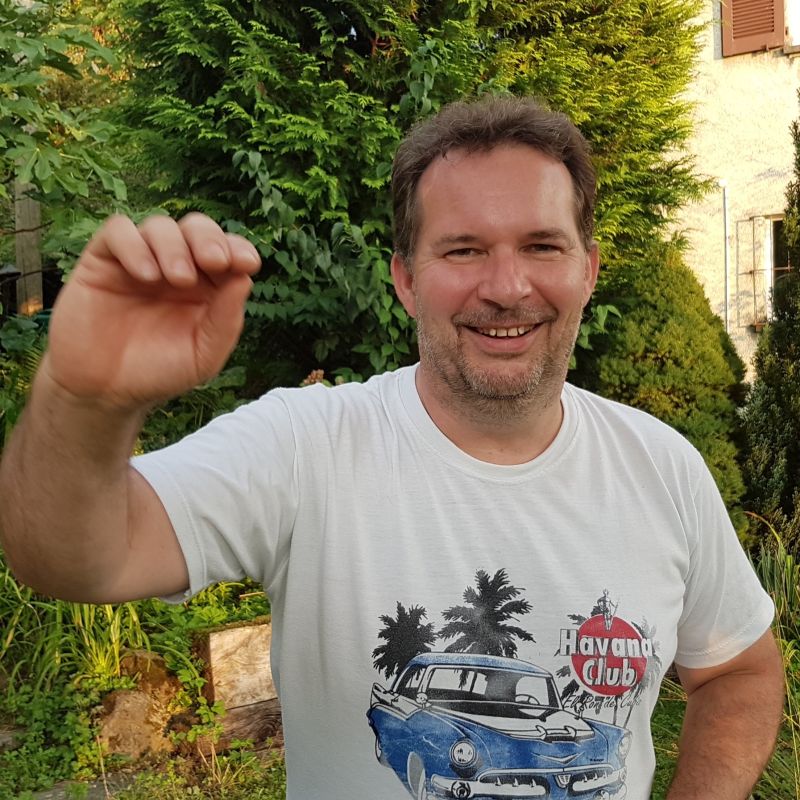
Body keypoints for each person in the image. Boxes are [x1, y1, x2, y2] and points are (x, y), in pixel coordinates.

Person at [0, 96, 783, 800]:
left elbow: (740, 669)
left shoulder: (661, 465)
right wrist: (87, 400)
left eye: (542, 246)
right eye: (464, 250)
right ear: (406, 280)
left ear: (588, 270)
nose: (507, 286)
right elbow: (73, 559)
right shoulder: (305, 446)